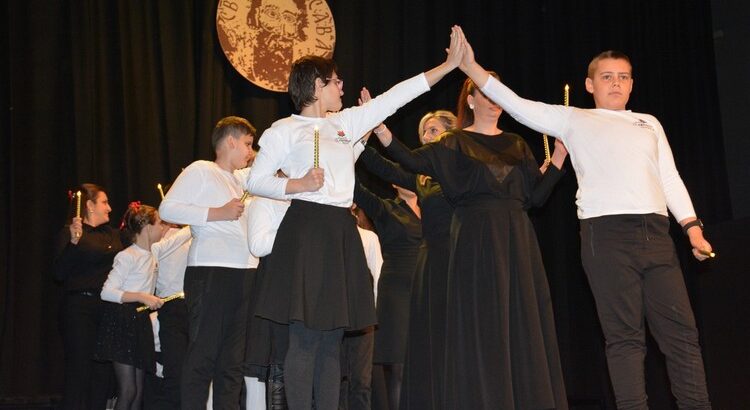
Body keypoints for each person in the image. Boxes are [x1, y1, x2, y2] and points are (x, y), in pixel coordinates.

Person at [457, 30, 713, 409]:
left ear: (632, 84)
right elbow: (516, 104)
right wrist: (471, 67)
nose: (616, 83)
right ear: (590, 85)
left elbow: (669, 178)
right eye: (607, 77)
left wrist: (692, 228)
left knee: (682, 336)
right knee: (625, 338)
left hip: (657, 235)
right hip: (605, 236)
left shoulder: (649, 122)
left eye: (623, 77)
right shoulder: (573, 119)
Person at [245, 26, 465, 409]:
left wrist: (446, 67)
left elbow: (396, 96)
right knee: (304, 338)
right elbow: (255, 180)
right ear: (317, 86)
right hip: (306, 230)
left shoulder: (344, 123)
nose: (342, 86)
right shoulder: (285, 130)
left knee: (332, 340)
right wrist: (298, 184)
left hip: (339, 232)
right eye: (336, 81)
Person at [373, 45, 569, 408]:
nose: (494, 101)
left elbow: (536, 198)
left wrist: (558, 160)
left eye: (498, 94)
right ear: (471, 100)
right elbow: (410, 161)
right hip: (475, 240)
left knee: (518, 323)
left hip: (516, 241)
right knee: (481, 325)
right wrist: (381, 131)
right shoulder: (454, 143)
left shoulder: (517, 144)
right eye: (486, 93)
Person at [355, 108, 457, 410]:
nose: (426, 137)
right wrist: (355, 141)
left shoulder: (445, 192)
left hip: (435, 285)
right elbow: (373, 174)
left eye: (433, 130)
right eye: (423, 131)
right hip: (399, 290)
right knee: (399, 364)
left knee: (436, 363)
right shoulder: (389, 206)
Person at [159, 116, 257, 409]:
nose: (250, 151)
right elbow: (167, 209)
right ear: (230, 141)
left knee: (232, 362)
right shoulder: (202, 170)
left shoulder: (240, 179)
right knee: (203, 355)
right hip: (212, 271)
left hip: (245, 274)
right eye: (247, 144)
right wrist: (218, 212)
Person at [53, 183, 123, 410]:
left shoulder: (112, 234)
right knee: (79, 370)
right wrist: (73, 243)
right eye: (104, 202)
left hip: (106, 309)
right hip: (79, 309)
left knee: (102, 372)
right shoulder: (71, 233)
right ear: (90, 206)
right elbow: (59, 273)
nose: (109, 208)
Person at [352, 181, 421, 410]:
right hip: (397, 295)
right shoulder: (387, 209)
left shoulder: (433, 205)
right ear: (393, 181)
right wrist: (346, 157)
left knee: (424, 364)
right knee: (399, 366)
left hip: (425, 293)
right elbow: (358, 190)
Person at [94, 202, 167, 409]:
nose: (163, 228)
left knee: (138, 392)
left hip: (140, 322)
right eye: (160, 224)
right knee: (128, 390)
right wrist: (142, 297)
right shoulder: (127, 256)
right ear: (147, 228)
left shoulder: (152, 255)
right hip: (123, 322)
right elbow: (107, 292)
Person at [144, 223, 191, 410]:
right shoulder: (162, 241)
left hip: (191, 308)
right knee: (176, 374)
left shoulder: (194, 234)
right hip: (172, 307)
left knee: (187, 374)